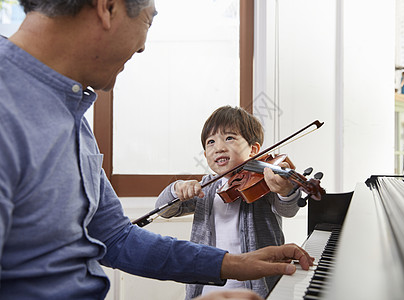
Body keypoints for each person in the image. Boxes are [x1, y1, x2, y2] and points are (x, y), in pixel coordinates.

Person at [0, 0, 315, 299]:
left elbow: (117, 238)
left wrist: (235, 264)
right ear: (107, 7)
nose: (142, 46)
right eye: (148, 19)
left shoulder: (74, 116)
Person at [155, 105, 305, 299]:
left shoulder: (265, 181)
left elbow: (288, 209)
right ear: (205, 155)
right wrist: (177, 188)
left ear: (253, 149)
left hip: (257, 286)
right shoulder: (206, 187)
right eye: (211, 142)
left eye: (229, 138)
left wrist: (286, 191)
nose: (219, 147)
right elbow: (164, 210)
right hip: (209, 285)